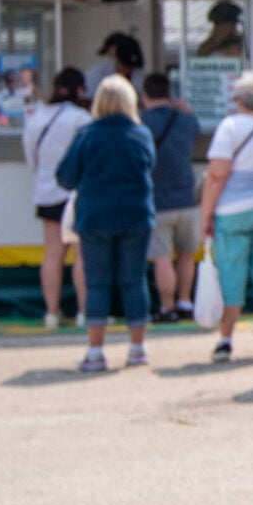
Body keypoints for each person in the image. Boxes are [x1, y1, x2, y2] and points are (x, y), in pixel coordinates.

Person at [54, 74, 156, 372]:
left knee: (97, 283)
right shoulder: (141, 134)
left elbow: (65, 177)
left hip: (95, 217)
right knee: (134, 280)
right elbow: (151, 166)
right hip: (136, 215)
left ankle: (96, 352)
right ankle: (137, 349)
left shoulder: (87, 135)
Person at [196, 69, 253, 363]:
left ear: (237, 99)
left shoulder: (229, 128)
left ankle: (226, 340)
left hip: (233, 211)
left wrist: (206, 215)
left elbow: (216, 175)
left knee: (231, 274)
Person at [24, 67, 92, 330]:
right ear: (79, 89)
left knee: (52, 253)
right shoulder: (80, 118)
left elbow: (32, 157)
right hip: (77, 192)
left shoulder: (36, 117)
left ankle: (52, 312)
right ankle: (85, 312)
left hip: (46, 191)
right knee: (82, 254)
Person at [140, 72, 203, 322]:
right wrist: (185, 109)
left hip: (158, 200)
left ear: (145, 96)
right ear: (169, 94)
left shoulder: (141, 123)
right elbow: (197, 129)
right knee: (187, 254)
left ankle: (167, 307)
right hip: (187, 198)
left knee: (162, 257)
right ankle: (185, 301)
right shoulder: (186, 121)